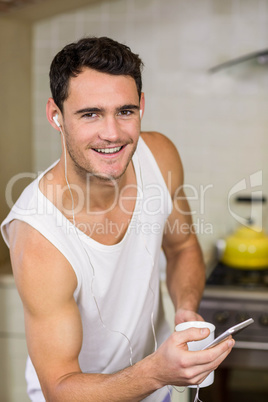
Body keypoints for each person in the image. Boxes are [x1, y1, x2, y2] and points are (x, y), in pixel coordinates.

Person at [1, 36, 234, 402]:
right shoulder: (39, 236)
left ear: (141, 106)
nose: (112, 134)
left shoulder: (159, 156)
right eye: (90, 113)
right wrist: (158, 370)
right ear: (55, 115)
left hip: (156, 391)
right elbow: (60, 388)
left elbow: (183, 247)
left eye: (125, 111)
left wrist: (185, 308)